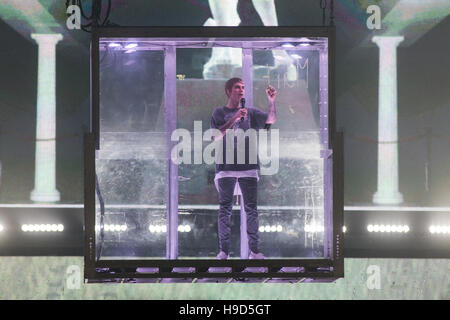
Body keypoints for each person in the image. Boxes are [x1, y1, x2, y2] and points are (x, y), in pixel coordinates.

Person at [210, 77, 277, 259]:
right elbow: (215, 136)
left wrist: (272, 101)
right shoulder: (219, 112)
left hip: (248, 167)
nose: (241, 91)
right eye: (237, 88)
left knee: (251, 209)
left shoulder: (251, 112)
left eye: (243, 88)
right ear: (228, 91)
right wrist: (235, 118)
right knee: (225, 208)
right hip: (225, 167)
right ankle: (224, 251)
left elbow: (270, 120)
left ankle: (254, 251)